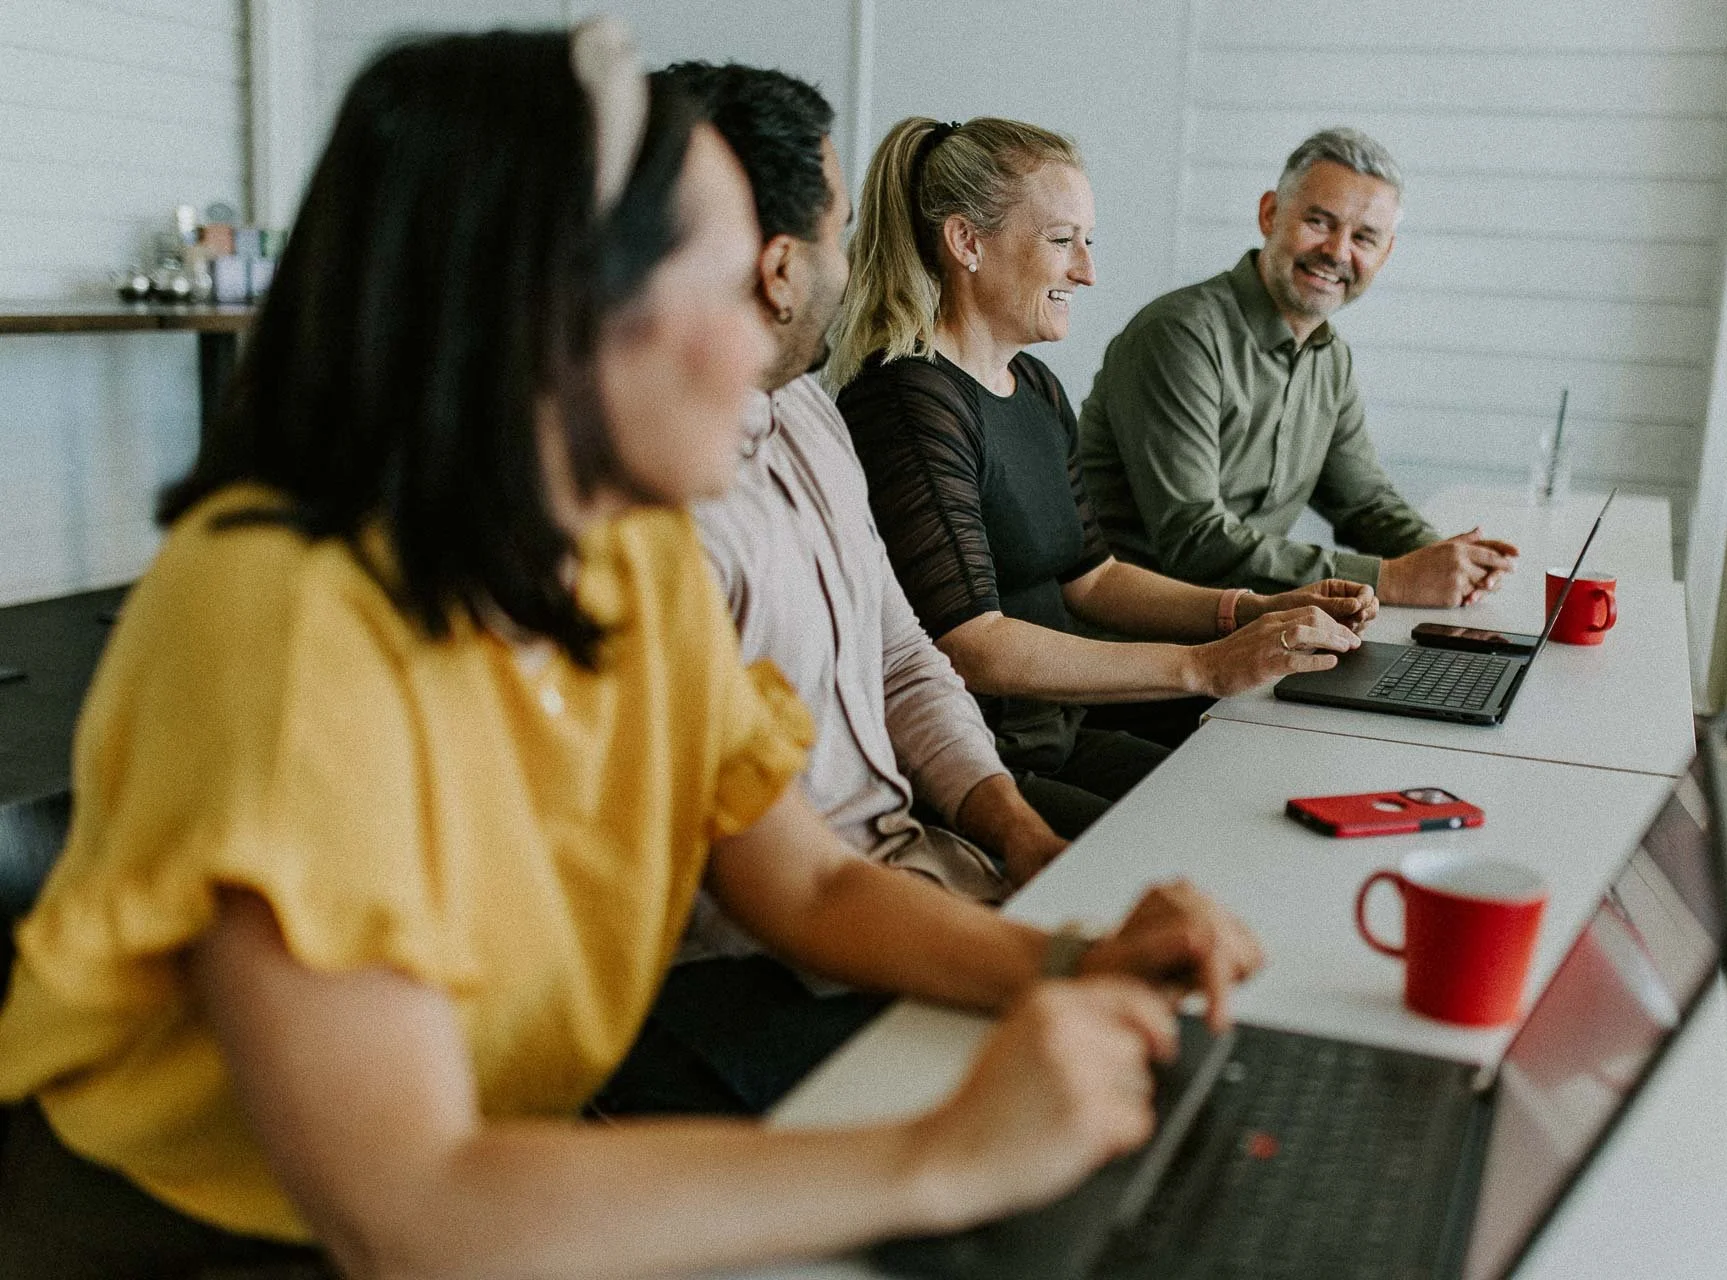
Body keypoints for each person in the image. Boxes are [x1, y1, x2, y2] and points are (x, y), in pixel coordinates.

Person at [0, 28, 1265, 1279]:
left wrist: (1067, 956)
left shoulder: (629, 548)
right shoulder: (284, 622)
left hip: (484, 1170)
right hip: (207, 1232)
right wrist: (938, 1155)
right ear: (554, 309)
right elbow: (408, 1211)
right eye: (728, 284)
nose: (770, 339)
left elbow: (808, 887)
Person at [592, 61, 1071, 1120]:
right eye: (844, 232)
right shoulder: (643, 521)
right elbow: (777, 891)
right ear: (776, 268)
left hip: (898, 874)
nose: (854, 265)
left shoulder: (807, 413)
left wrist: (1017, 832)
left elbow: (905, 654)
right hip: (745, 967)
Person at [829, 116, 1375, 830]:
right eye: (1062, 241)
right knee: (1192, 845)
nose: (1086, 270)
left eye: (1088, 242)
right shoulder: (905, 399)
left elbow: (1094, 577)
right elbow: (974, 644)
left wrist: (1252, 610)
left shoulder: (1034, 386)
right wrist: (1205, 666)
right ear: (966, 241)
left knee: (1250, 814)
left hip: (1054, 735)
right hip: (970, 763)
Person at [1078, 127, 1520, 608]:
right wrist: (1389, 578)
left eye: (1365, 237)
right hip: (1133, 635)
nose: (1337, 251)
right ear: (1269, 214)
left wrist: (1447, 559)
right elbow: (1193, 540)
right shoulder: (1180, 336)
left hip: (1244, 627)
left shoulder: (1330, 357)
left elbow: (1365, 504)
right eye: (1319, 222)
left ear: (1385, 253)